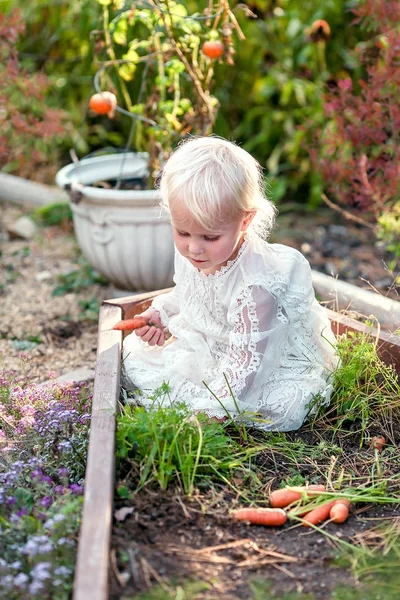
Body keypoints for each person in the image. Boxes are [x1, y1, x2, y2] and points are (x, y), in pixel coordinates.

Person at [122, 136, 338, 430]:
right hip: (215, 345)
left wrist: (214, 411)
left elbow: (247, 363)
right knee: (133, 354)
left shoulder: (256, 287)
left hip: (262, 359)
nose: (194, 248)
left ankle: (220, 405)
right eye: (182, 232)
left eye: (210, 237)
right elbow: (191, 291)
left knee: (281, 403)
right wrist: (163, 313)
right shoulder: (194, 252)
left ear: (245, 221)